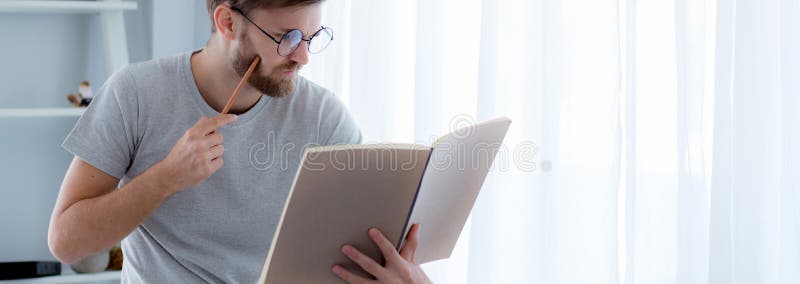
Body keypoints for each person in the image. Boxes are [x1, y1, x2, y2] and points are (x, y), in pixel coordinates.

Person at [47, 1, 432, 283]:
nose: (302, 57)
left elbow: (351, 250)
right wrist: (165, 178)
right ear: (227, 21)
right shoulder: (134, 93)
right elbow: (66, 243)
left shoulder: (324, 118)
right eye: (288, 37)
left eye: (312, 38)